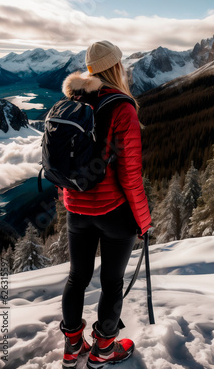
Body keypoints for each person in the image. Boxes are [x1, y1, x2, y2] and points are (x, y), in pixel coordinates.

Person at [59, 40, 152, 369]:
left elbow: (64, 164)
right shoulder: (122, 107)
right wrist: (143, 220)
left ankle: (72, 349)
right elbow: (129, 175)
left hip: (76, 208)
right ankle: (103, 350)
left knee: (76, 278)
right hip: (113, 212)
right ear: (116, 67)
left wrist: (70, 199)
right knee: (112, 282)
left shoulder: (73, 101)